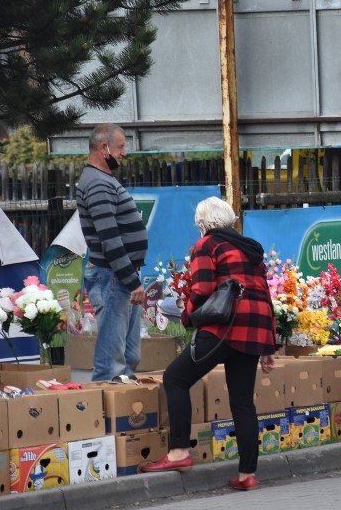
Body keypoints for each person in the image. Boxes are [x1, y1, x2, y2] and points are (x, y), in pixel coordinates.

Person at [140, 197, 277, 492]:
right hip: (254, 331)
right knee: (242, 401)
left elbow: (201, 289)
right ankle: (247, 475)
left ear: (203, 224)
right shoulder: (250, 249)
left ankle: (178, 452)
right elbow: (265, 296)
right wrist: (268, 346)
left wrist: (187, 316)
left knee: (175, 378)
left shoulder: (208, 245)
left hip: (222, 329)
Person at [77, 124, 148, 382]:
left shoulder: (103, 180)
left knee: (129, 357)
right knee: (111, 362)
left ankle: (126, 415)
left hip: (117, 276)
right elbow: (109, 238)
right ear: (103, 147)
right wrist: (131, 280)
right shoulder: (97, 183)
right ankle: (105, 418)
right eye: (121, 147)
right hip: (113, 276)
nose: (124, 153)